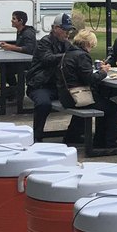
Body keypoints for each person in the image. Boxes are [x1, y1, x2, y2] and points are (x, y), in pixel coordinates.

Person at [57, 30, 117, 149]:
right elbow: (90, 79)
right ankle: (107, 142)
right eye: (92, 45)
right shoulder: (82, 55)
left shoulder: (68, 53)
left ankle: (72, 135)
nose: (92, 48)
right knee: (112, 108)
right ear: (87, 44)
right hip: (77, 96)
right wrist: (103, 72)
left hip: (66, 95)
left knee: (102, 101)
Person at [25, 13, 75, 141]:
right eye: (64, 29)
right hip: (40, 85)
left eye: (69, 29)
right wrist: (67, 56)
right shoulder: (44, 42)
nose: (67, 33)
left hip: (58, 86)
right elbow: (48, 59)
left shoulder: (67, 44)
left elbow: (76, 56)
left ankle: (73, 135)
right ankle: (36, 137)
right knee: (43, 104)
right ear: (55, 28)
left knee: (84, 100)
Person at [0, 9, 37, 92]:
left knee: (5, 68)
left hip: (29, 63)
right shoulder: (20, 31)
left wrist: (11, 47)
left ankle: (15, 90)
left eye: (14, 19)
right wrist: (8, 45)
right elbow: (20, 46)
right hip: (22, 61)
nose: (11, 20)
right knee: (3, 66)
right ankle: (14, 88)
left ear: (20, 21)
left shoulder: (28, 33)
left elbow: (29, 49)